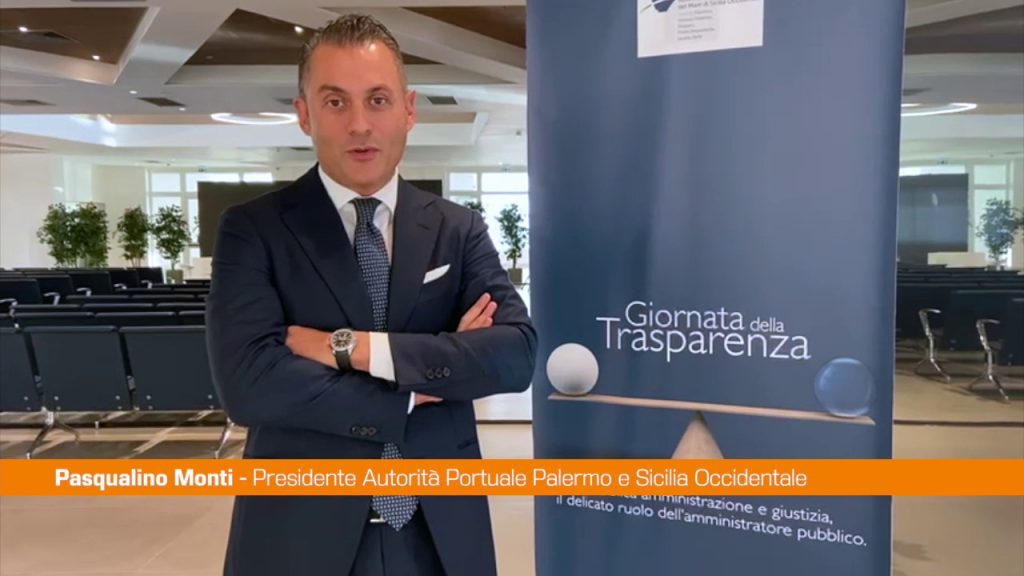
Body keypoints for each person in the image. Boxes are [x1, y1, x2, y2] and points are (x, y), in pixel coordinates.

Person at [206, 14, 536, 576]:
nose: (360, 125)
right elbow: (250, 384)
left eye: (378, 100)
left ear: (408, 110)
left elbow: (515, 355)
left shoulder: (458, 229)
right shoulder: (253, 229)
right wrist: (416, 388)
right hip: (300, 535)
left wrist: (351, 348)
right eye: (335, 102)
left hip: (441, 534)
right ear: (305, 114)